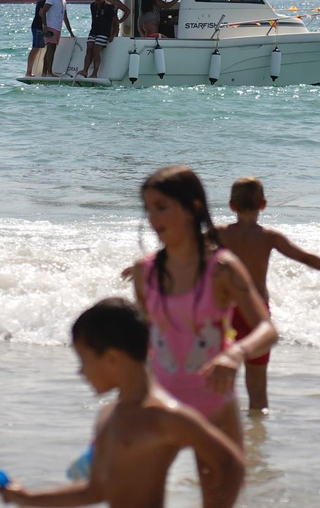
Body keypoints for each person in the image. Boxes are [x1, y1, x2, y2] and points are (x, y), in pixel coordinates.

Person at [0, 298, 245, 508]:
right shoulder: (108, 415)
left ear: (112, 358)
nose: (81, 371)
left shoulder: (164, 415)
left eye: (84, 360)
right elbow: (95, 491)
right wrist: (26, 498)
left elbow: (232, 463)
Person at [129, 166, 276, 473]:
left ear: (192, 207)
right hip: (160, 405)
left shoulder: (222, 268)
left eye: (162, 207)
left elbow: (267, 330)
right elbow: (145, 340)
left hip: (214, 407)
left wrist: (235, 354)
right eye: (148, 209)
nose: (153, 218)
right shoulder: (145, 273)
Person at [216, 177, 320, 412]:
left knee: (220, 383)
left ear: (231, 205)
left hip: (225, 314)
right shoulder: (269, 237)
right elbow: (307, 258)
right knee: (257, 388)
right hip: (257, 315)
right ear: (263, 204)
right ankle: (258, 437)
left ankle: (224, 435)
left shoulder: (219, 234)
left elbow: (183, 252)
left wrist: (150, 267)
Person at [81, 0, 128, 80]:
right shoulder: (92, 5)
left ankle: (95, 72)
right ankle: (84, 70)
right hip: (94, 31)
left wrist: (113, 35)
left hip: (104, 32)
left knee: (96, 50)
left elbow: (115, 22)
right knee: (89, 48)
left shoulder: (109, 6)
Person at [41, 0, 73, 77]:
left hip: (57, 28)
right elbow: (43, 12)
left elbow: (65, 17)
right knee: (51, 49)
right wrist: (45, 26)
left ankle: (45, 72)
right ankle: (48, 72)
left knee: (51, 49)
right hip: (51, 26)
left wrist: (70, 31)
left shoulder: (63, 1)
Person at [27, 0, 56, 76]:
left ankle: (34, 71)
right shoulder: (46, 0)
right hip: (39, 26)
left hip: (37, 25)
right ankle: (28, 71)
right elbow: (41, 13)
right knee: (36, 48)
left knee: (38, 48)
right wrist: (45, 25)